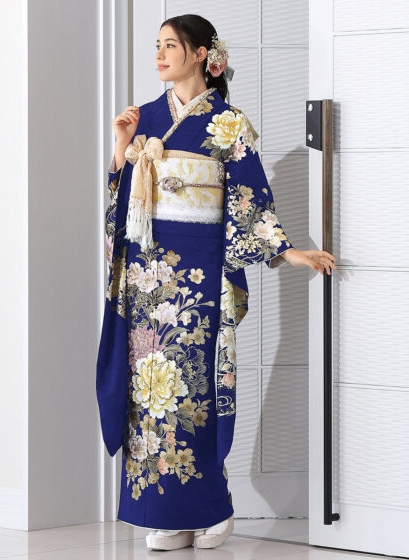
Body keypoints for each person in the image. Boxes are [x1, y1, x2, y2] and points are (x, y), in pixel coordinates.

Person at [96, 13, 336, 552]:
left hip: (200, 276)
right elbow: (123, 204)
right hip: (147, 277)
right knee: (149, 397)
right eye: (157, 45)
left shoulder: (229, 123)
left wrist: (287, 251)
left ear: (202, 53)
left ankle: (211, 509)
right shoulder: (144, 116)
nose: (159, 55)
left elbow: (249, 198)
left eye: (171, 45)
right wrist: (121, 147)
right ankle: (166, 516)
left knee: (194, 390)